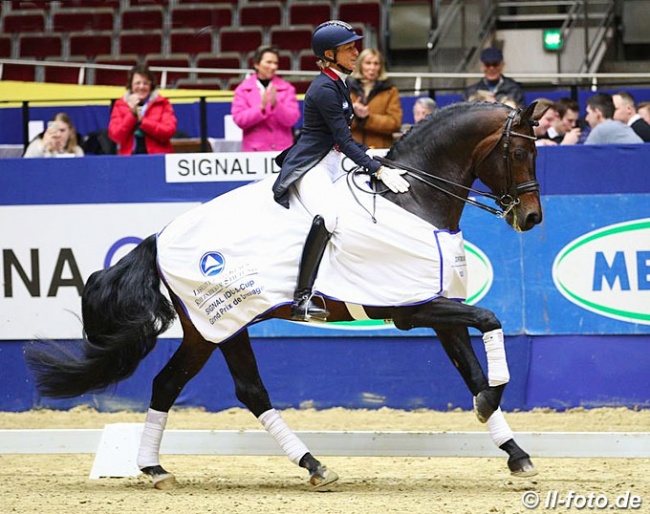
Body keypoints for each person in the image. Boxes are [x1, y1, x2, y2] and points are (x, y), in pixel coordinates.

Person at [271, 20, 410, 322]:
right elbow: (343, 140)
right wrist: (377, 169)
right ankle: (302, 298)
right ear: (329, 54)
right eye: (349, 48)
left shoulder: (339, 82)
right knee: (329, 217)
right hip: (313, 164)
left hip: (333, 160)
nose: (356, 52)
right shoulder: (323, 88)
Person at [231, 45, 300, 152]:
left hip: (282, 151)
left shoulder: (287, 88)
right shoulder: (243, 89)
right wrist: (260, 109)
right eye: (269, 62)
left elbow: (293, 119)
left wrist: (276, 105)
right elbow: (239, 119)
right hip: (254, 152)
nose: (273, 67)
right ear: (256, 64)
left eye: (275, 63)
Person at [108, 64, 177, 155]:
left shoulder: (162, 103)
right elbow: (116, 136)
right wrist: (132, 115)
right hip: (129, 159)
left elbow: (168, 131)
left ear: (151, 85)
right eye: (137, 83)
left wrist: (143, 122)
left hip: (157, 158)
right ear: (131, 85)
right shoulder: (120, 105)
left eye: (145, 83)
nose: (141, 87)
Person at [348, 48, 402, 149]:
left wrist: (367, 118)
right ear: (360, 65)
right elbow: (337, 123)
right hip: (351, 150)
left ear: (380, 67)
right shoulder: (347, 88)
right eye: (368, 63)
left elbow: (395, 123)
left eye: (376, 64)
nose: (372, 67)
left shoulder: (390, 90)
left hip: (380, 151)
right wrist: (353, 113)